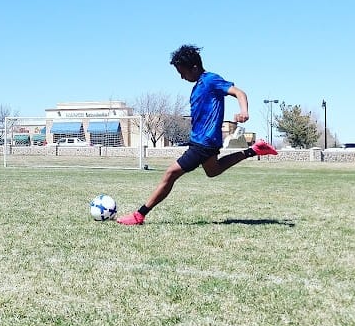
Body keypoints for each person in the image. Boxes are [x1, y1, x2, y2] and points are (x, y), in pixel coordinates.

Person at [117, 44, 277, 225]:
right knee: (213, 171)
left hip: (204, 143)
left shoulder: (210, 80)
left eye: (182, 72)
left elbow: (239, 92)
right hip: (202, 141)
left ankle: (139, 215)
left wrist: (244, 111)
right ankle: (254, 150)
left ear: (194, 67)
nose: (181, 76)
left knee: (170, 174)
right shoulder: (198, 86)